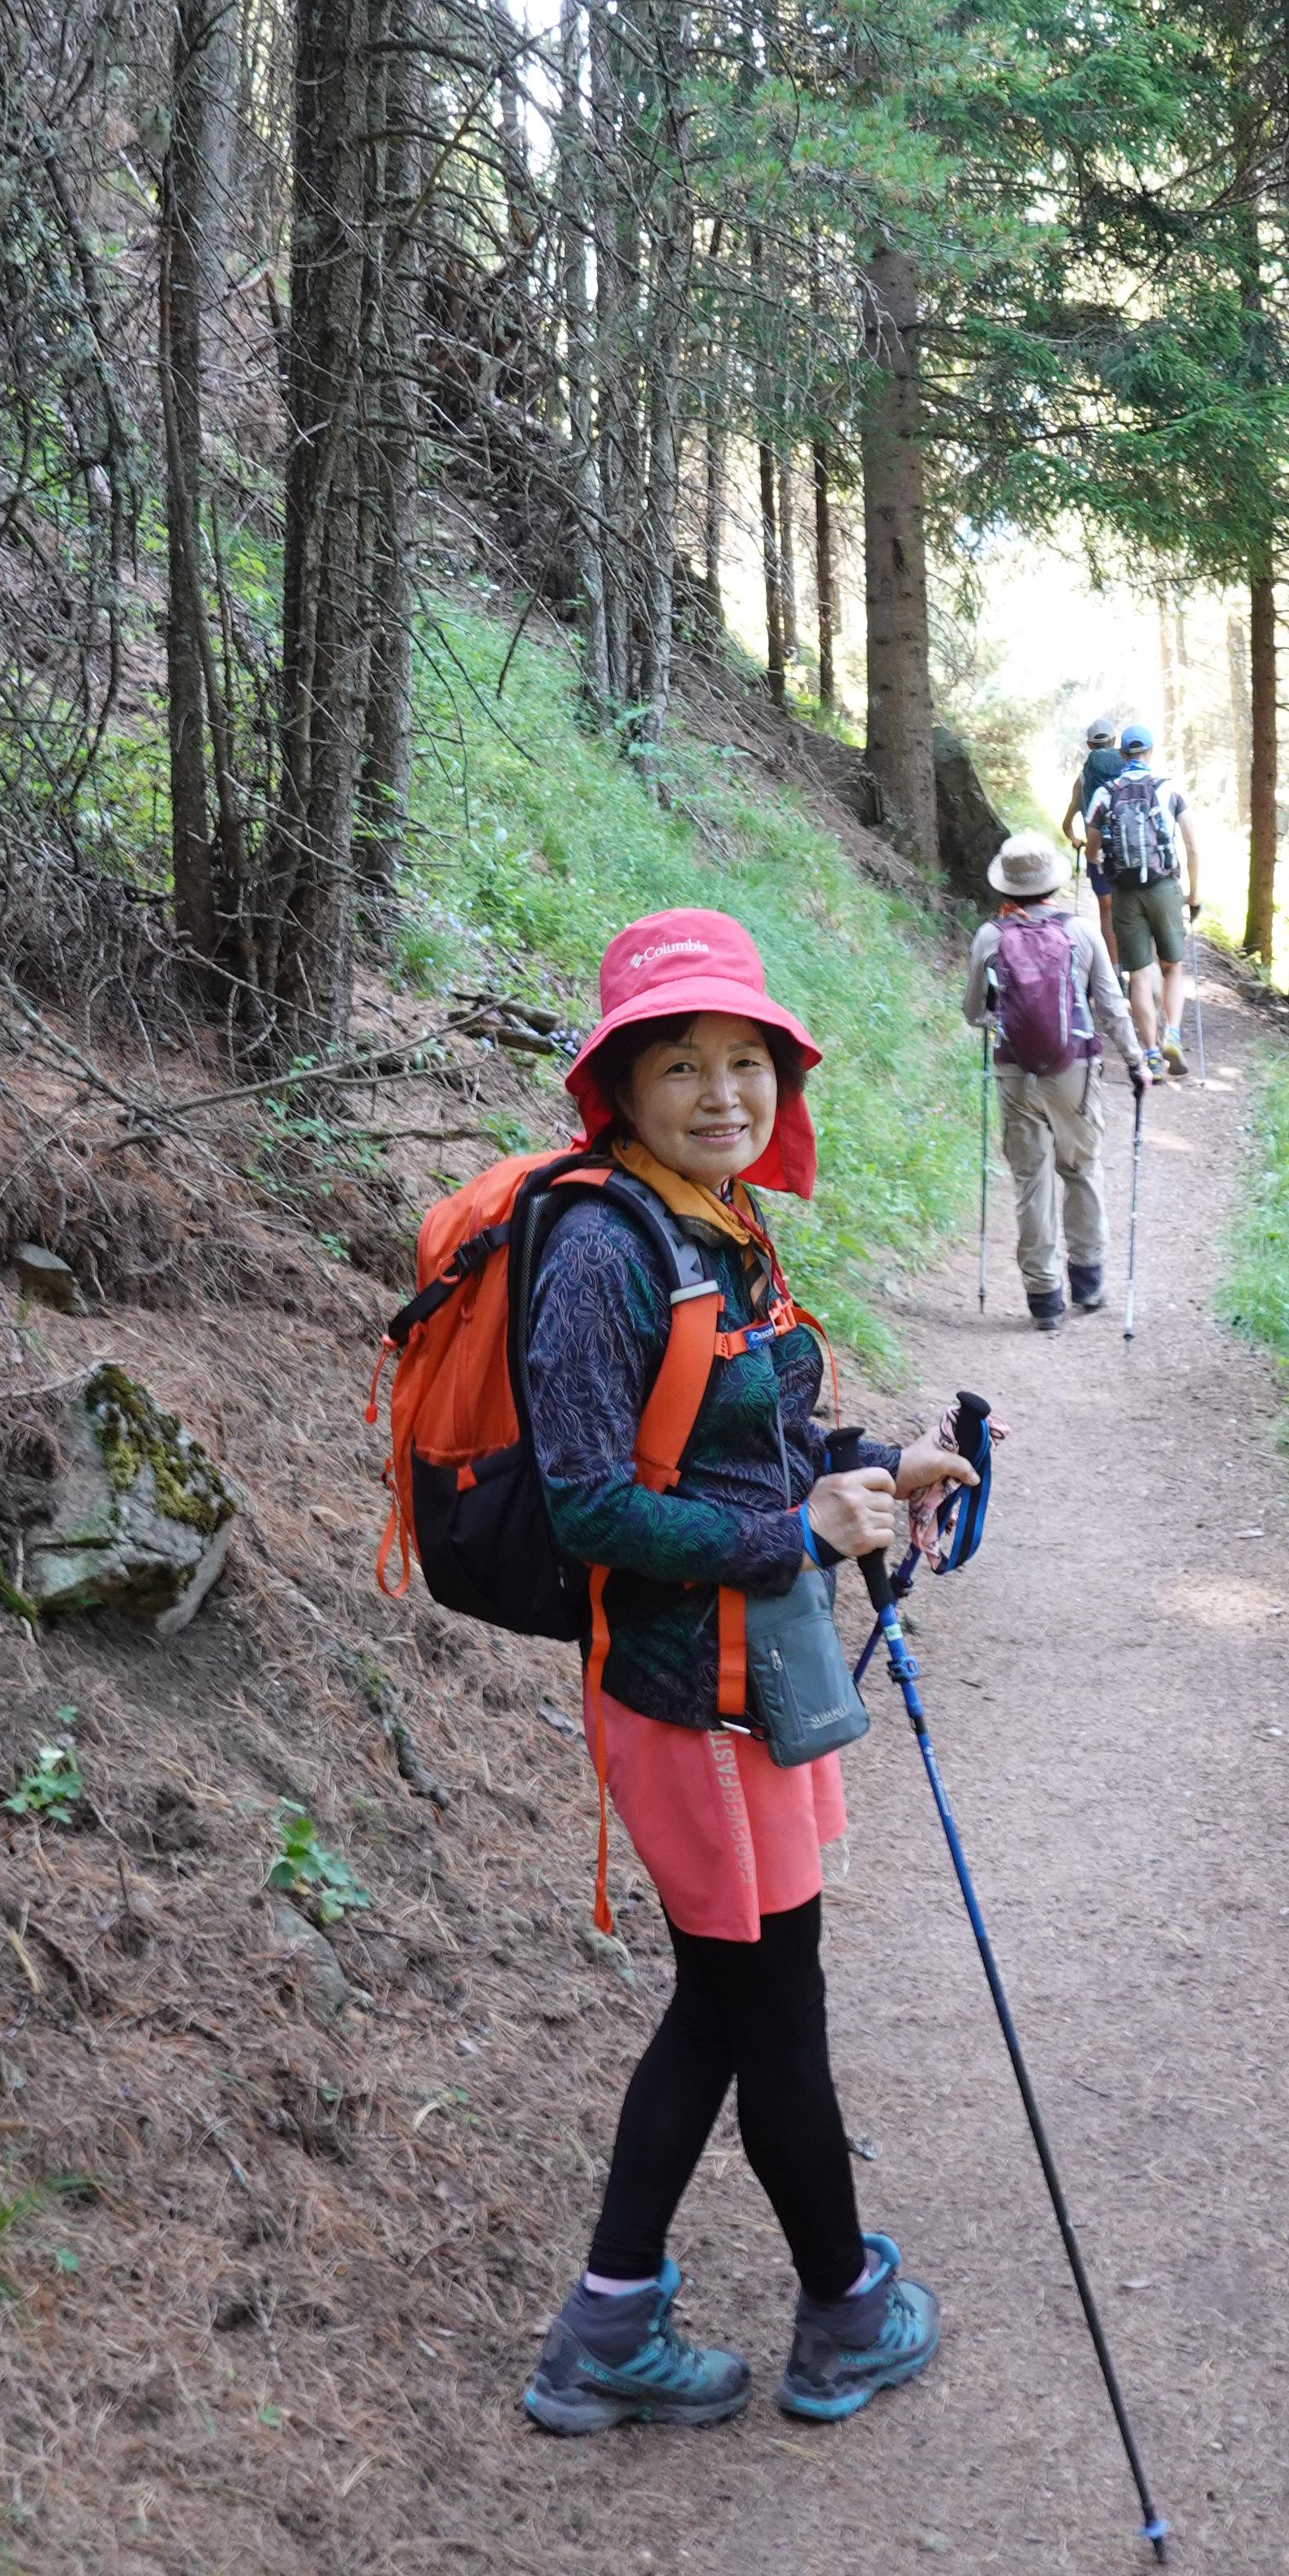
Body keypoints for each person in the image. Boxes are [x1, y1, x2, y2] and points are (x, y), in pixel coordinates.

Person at [519, 909, 973, 2440]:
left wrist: (877, 1461)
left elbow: (743, 1441)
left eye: (745, 1061)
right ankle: (840, 2310)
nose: (722, 1092)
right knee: (769, 2007)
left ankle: (610, 2323)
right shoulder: (603, 1251)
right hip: (689, 1695)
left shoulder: (710, 1218)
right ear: (619, 1086)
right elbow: (588, 1506)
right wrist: (797, 1529)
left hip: (746, 1681)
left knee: (729, 2004)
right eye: (680, 1064)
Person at [965, 831, 1135, 1332]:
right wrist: (1137, 1061)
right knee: (1081, 1170)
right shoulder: (1081, 932)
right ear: (1053, 884)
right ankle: (1088, 1281)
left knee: (1031, 1180)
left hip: (1015, 1072)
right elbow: (1111, 1003)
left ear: (1007, 887)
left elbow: (973, 1012)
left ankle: (1044, 1299)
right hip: (1074, 1071)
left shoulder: (990, 937)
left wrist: (1001, 1016)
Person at [1087, 721, 1205, 1075]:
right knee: (1172, 967)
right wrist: (1193, 896)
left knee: (1138, 975)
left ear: (1122, 754)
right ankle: (1173, 1035)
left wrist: (1101, 859)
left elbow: (1092, 849)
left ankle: (1151, 1053)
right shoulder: (1168, 789)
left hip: (1125, 892)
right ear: (1150, 752)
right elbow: (1193, 846)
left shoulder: (1105, 793)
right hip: (1164, 887)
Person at [1060, 713, 1128, 952]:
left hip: (1096, 850)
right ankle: (1145, 968)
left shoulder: (1084, 778)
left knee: (1107, 911)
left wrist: (1075, 839)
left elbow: (1067, 823)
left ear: (1089, 745)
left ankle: (1115, 969)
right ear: (1114, 740)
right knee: (1135, 908)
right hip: (1129, 848)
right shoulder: (1128, 770)